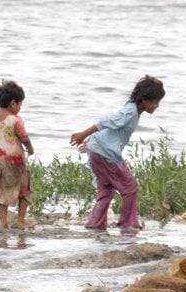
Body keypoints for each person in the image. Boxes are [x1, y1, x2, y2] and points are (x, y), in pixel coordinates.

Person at [70, 75, 165, 233]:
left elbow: (110, 130)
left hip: (98, 150)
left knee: (106, 190)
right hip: (105, 153)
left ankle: (95, 224)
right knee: (130, 187)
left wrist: (90, 144)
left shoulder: (132, 111)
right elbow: (106, 121)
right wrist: (83, 134)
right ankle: (128, 224)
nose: (157, 106)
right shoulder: (130, 112)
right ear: (144, 100)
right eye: (155, 102)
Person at [0, 80, 35, 230]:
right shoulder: (15, 120)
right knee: (24, 189)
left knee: (2, 191)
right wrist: (29, 148)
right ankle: (20, 220)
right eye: (19, 104)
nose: (19, 108)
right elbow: (23, 137)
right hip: (16, 162)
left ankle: (3, 222)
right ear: (13, 103)